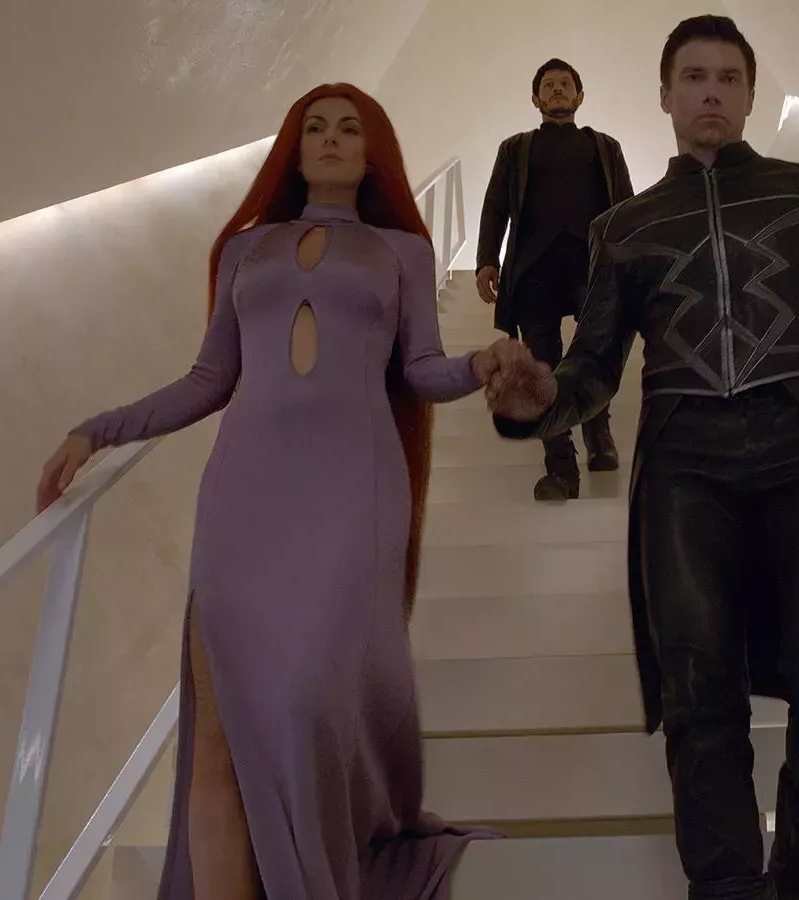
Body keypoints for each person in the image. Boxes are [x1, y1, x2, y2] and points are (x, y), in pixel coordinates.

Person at [484, 16, 799, 900]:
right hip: (683, 462)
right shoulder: (623, 227)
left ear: (748, 94)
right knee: (696, 690)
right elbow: (594, 367)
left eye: (728, 78)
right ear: (664, 95)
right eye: (693, 77)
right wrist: (542, 402)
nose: (710, 92)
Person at [36, 84, 499, 899]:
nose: (331, 139)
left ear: (373, 152)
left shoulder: (402, 250)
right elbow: (208, 379)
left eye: (349, 128)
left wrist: (482, 366)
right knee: (217, 739)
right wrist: (99, 430)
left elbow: (423, 371)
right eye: (315, 127)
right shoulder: (246, 248)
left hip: (356, 491)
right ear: (294, 147)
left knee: (307, 704)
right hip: (244, 493)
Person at [475, 58, 635, 501]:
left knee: (596, 352)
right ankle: (560, 468)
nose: (558, 90)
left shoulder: (606, 147)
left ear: (580, 96)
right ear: (535, 98)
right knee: (541, 364)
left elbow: (627, 208)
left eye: (566, 84)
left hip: (592, 267)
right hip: (533, 270)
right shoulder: (514, 148)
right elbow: (495, 206)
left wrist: (634, 262)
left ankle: (599, 435)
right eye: (549, 85)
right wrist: (487, 260)